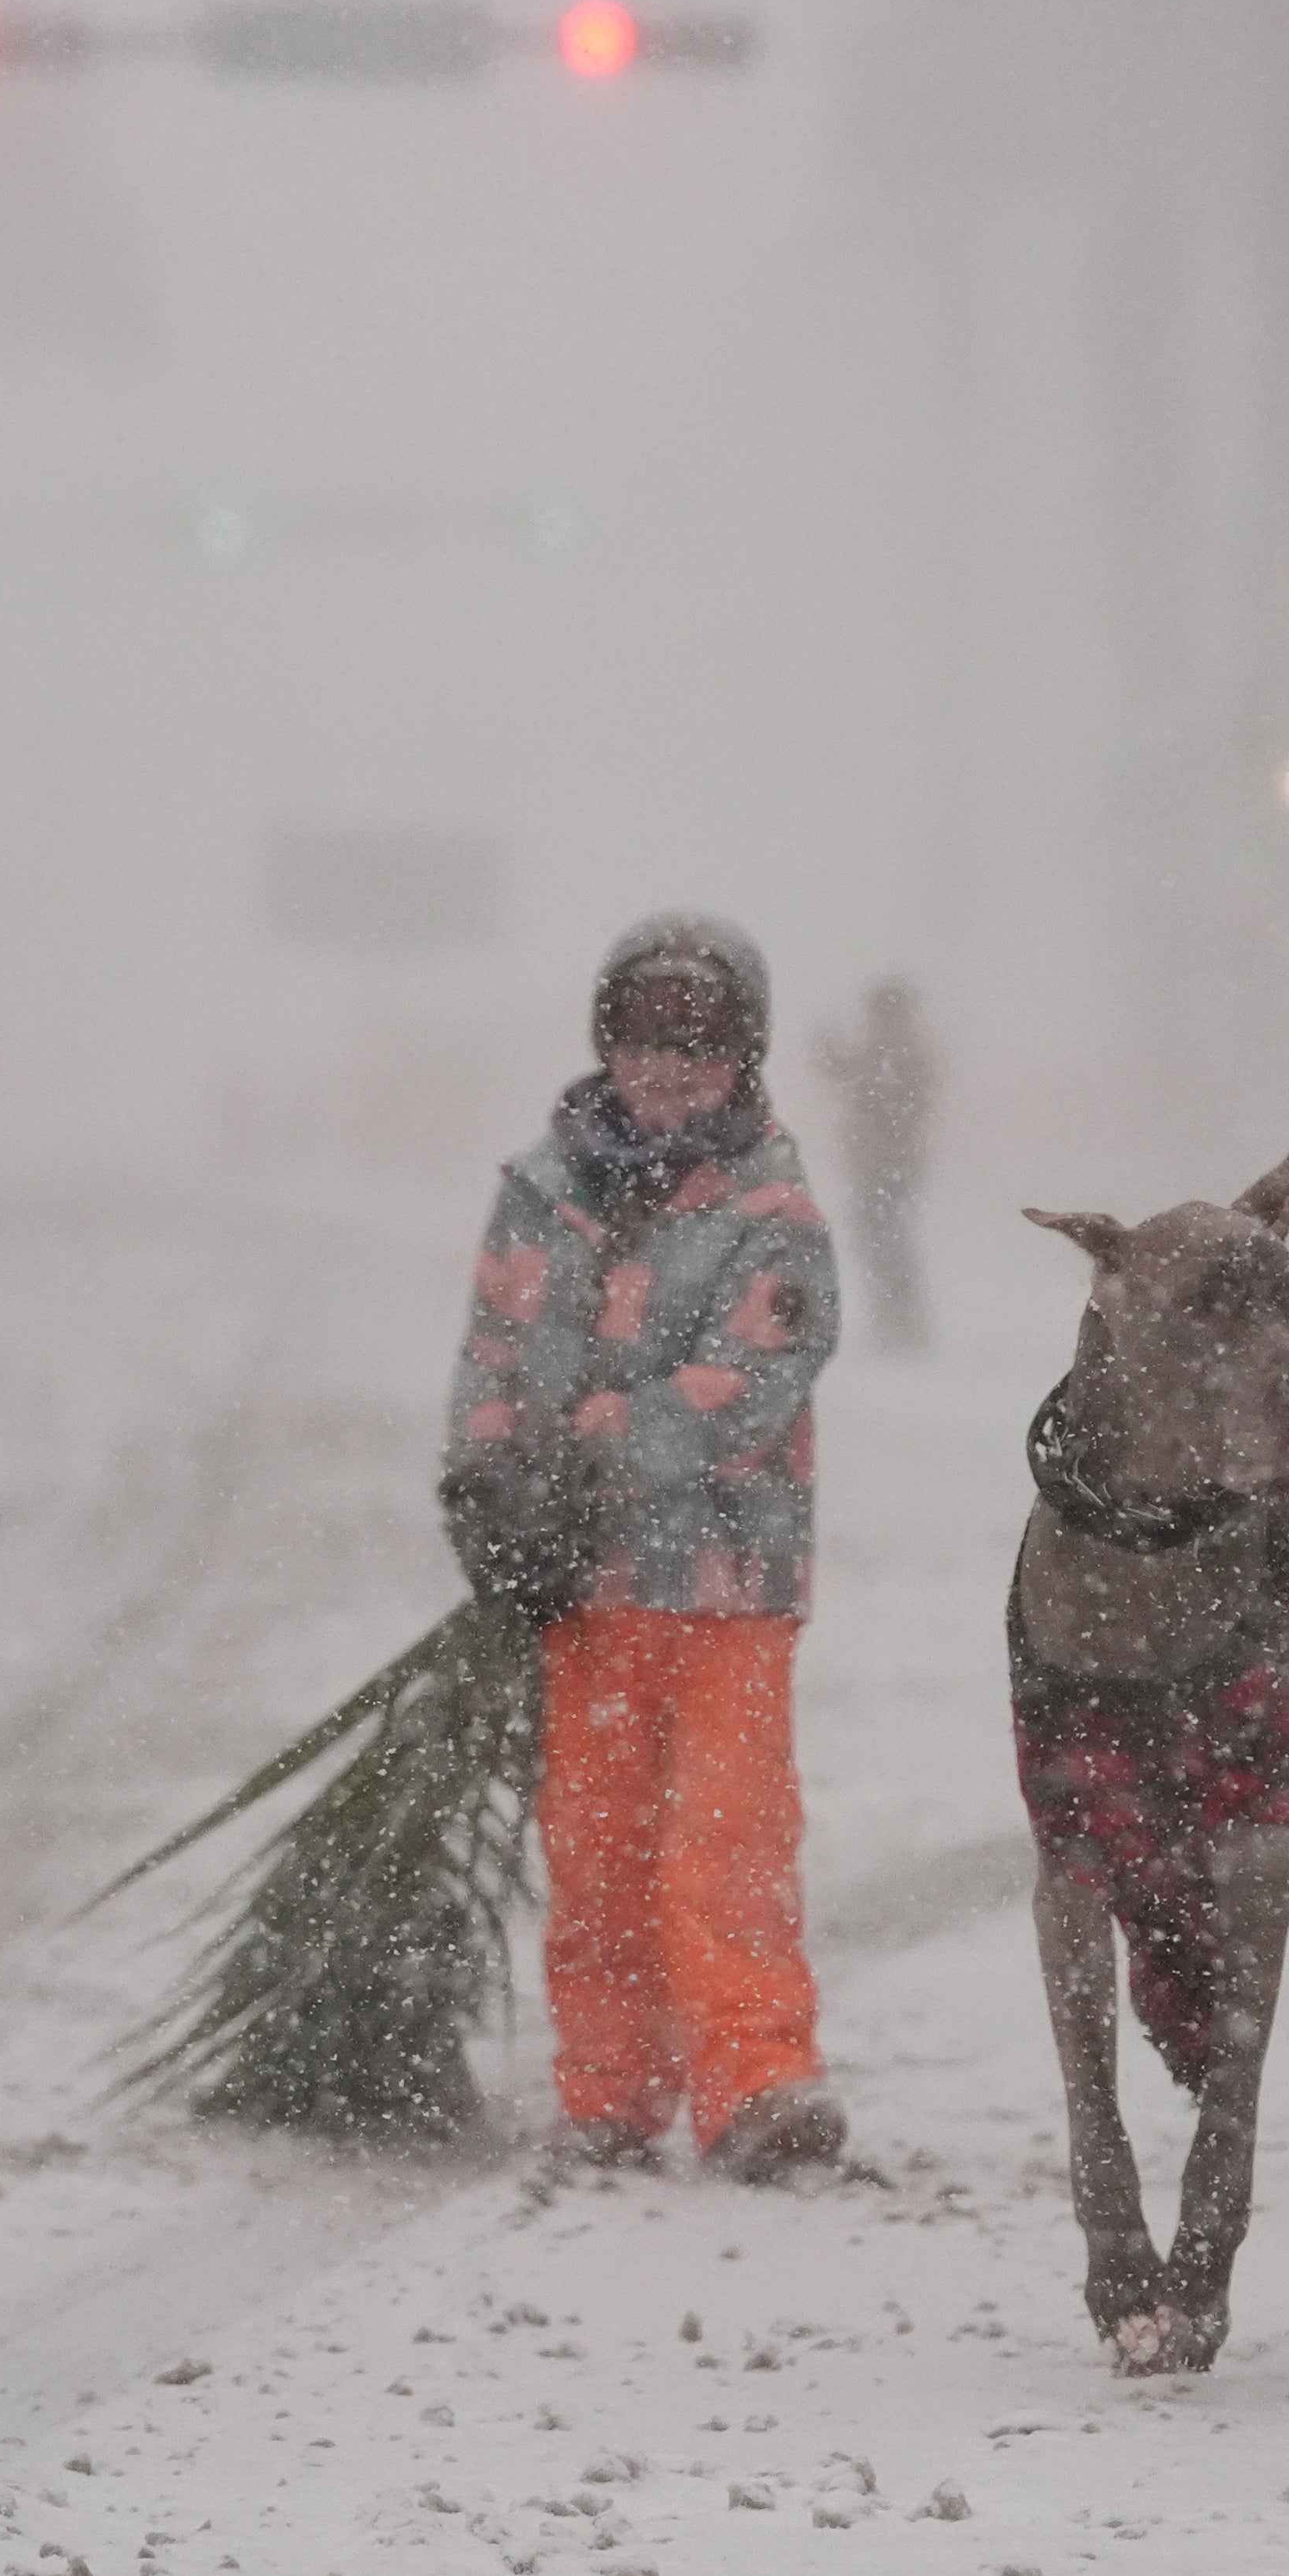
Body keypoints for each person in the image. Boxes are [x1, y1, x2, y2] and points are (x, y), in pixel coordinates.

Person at [442, 916, 851, 2180]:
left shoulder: (769, 1209)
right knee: (598, 1843)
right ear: (604, 1040)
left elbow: (752, 1381)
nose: (668, 1071)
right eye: (643, 1040)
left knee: (723, 1842)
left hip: (727, 1588)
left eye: (700, 1045)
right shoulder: (538, 1194)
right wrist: (490, 1487)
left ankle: (757, 2082)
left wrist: (595, 1457)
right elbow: (495, 1357)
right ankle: (610, 2089)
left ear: (744, 1055)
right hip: (587, 1589)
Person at [814, 976, 941, 1354]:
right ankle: (897, 1323)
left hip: (887, 1168)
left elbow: (859, 1078)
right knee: (881, 1241)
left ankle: (903, 1325)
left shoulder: (899, 1055)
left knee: (885, 1242)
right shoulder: (894, 1053)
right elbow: (842, 1070)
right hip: (882, 1166)